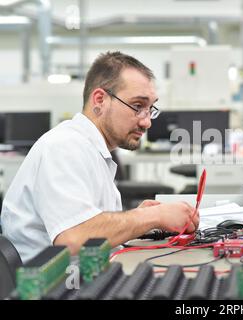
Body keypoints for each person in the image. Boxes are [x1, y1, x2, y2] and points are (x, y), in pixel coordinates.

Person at [0, 51, 199, 262]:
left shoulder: (91, 149)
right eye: (138, 106)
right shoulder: (64, 147)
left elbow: (89, 223)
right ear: (100, 100)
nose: (147, 122)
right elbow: (74, 238)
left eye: (150, 109)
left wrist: (138, 222)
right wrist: (152, 217)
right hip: (57, 287)